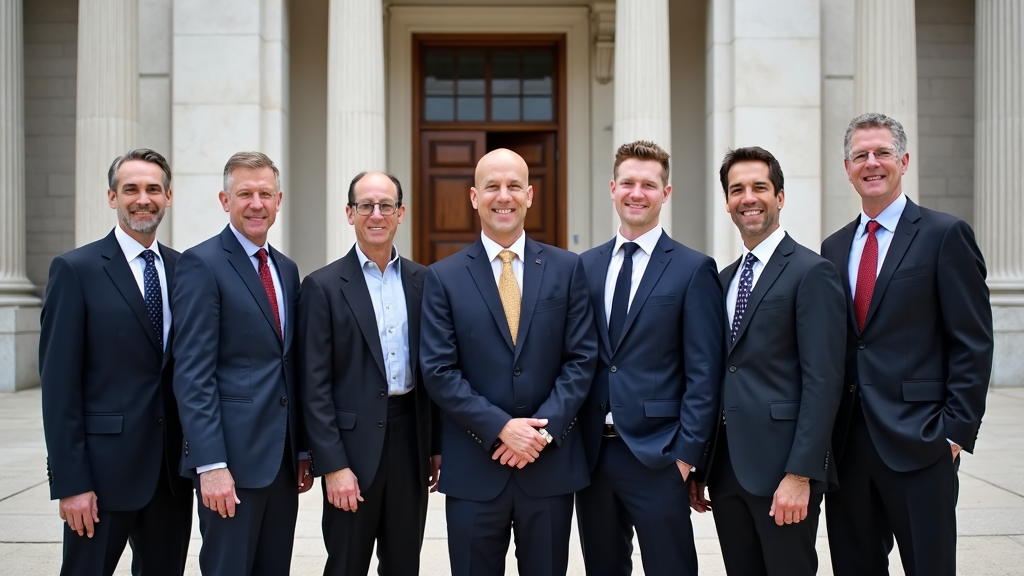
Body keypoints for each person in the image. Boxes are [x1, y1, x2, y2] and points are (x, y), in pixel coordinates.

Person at [821, 113, 993, 576]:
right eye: (861, 155)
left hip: (922, 441)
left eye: (882, 153)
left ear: (904, 161)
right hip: (848, 446)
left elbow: (972, 340)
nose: (871, 163)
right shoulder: (833, 248)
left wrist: (955, 432)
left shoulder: (944, 234)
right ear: (847, 167)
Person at [420, 148, 598, 576]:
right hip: (474, 467)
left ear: (530, 195)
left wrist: (540, 433)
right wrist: (501, 428)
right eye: (492, 186)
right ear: (473, 197)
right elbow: (439, 371)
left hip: (548, 466)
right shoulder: (442, 277)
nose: (504, 196)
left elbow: (582, 359)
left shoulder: (567, 268)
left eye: (514, 185)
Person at [690, 146, 845, 576]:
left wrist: (801, 474)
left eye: (759, 186)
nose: (748, 197)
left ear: (779, 196)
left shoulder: (811, 272)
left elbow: (824, 380)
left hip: (783, 472)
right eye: (737, 189)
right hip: (726, 472)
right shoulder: (724, 278)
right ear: (727, 203)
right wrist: (703, 465)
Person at [39, 149, 193, 576]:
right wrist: (72, 483)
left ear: (168, 197)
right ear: (112, 197)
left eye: (153, 189)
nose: (143, 199)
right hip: (101, 479)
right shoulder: (76, 270)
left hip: (170, 479)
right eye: (131, 189)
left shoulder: (185, 270)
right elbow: (58, 387)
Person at [574, 140, 724, 576]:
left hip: (660, 455)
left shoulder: (693, 269)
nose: (636, 192)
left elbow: (704, 372)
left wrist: (685, 458)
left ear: (666, 192)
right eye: (628, 183)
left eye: (648, 184)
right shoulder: (584, 266)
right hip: (593, 456)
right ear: (612, 188)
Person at [172, 151, 312, 576]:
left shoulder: (286, 269)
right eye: (245, 194)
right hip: (230, 465)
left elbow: (289, 366)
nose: (257, 203)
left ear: (279, 200)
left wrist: (302, 448)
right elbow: (193, 374)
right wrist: (211, 465)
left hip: (281, 465)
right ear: (224, 200)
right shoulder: (202, 263)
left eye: (265, 194)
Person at [298, 171, 441, 575]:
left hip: (409, 442)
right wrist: (333, 465)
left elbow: (433, 370)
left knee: (403, 564)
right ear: (349, 213)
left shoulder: (423, 282)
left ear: (401, 214)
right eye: (366, 206)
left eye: (386, 206)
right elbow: (314, 385)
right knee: (346, 564)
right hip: (351, 448)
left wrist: (434, 446)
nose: (376, 215)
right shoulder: (321, 287)